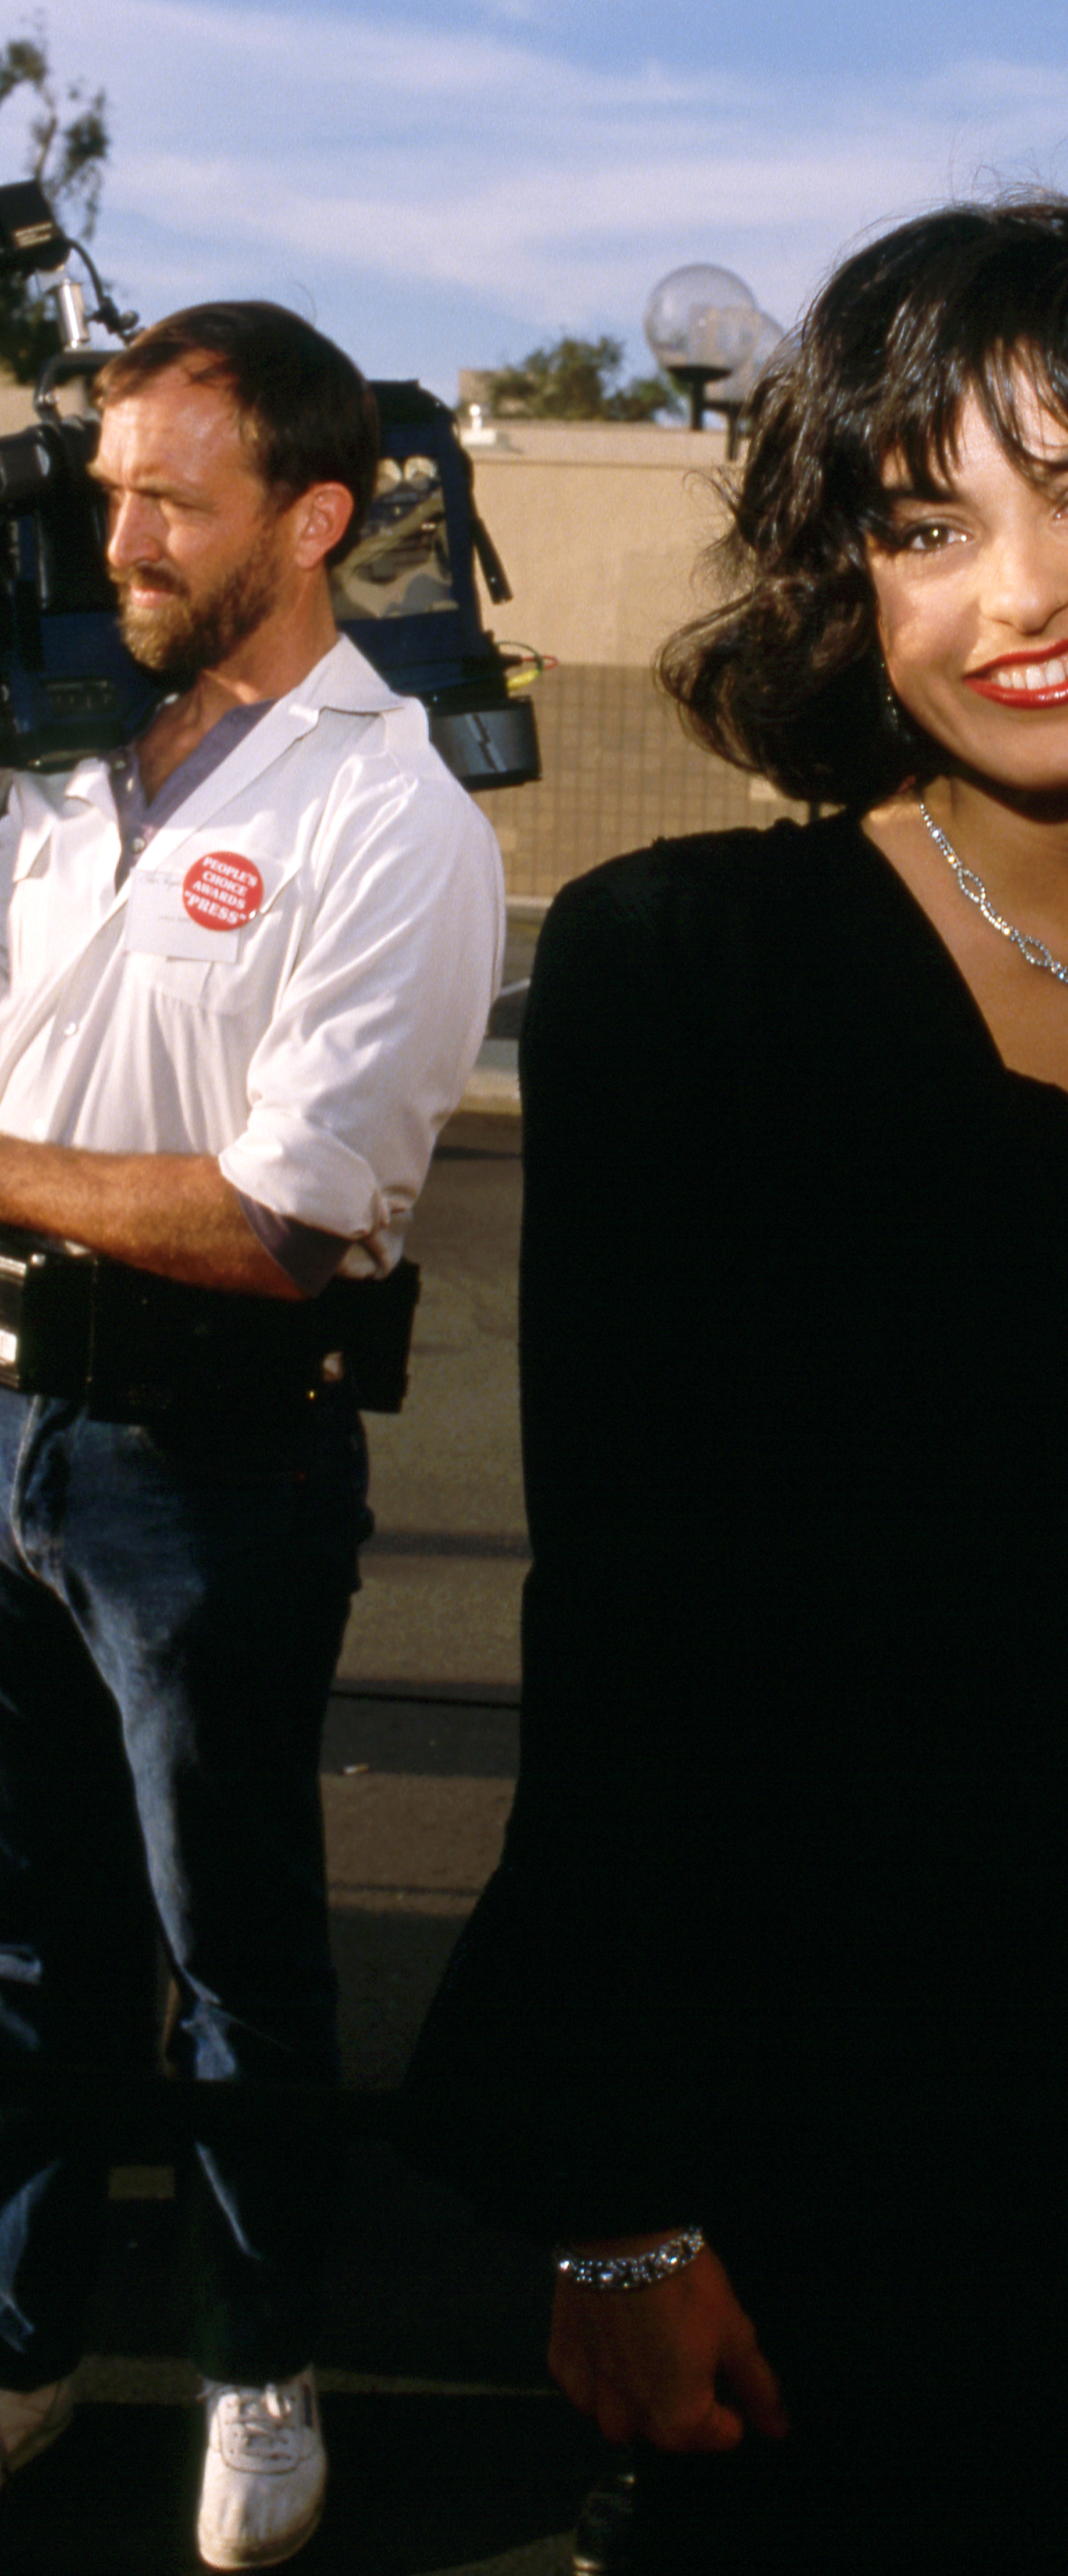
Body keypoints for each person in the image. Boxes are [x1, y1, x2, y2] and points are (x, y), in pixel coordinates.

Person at [399, 170, 1068, 2575]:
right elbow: (627, 1626)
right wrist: (613, 2202)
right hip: (840, 2097)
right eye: (927, 525)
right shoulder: (685, 967)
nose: (1018, 594)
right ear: (854, 589)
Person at [0, 303, 504, 2566]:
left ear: (311, 518)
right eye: (107, 487)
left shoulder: (387, 820)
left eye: (169, 497)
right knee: (19, 1939)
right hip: (11, 1429)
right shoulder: (62, 771)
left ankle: (257, 2363)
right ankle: (22, 2340)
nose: (120, 531)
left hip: (206, 1474)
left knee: (234, 1954)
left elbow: (290, 1219)